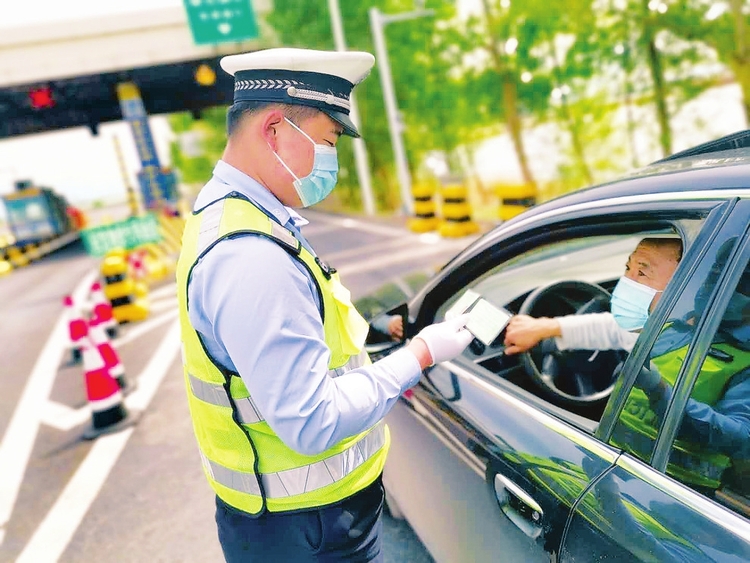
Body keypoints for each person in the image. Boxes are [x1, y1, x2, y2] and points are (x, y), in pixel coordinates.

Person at [175, 47, 474, 563]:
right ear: (274, 130)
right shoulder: (252, 255)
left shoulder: (234, 216)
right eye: (328, 141)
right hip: (306, 534)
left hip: (293, 525)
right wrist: (421, 354)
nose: (332, 159)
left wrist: (377, 331)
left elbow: (289, 335)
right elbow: (312, 422)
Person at [503, 237, 683, 356]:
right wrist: (542, 328)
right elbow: (613, 330)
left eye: (642, 273)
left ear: (685, 284)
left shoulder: (697, 352)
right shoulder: (658, 327)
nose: (627, 282)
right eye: (628, 268)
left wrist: (658, 389)